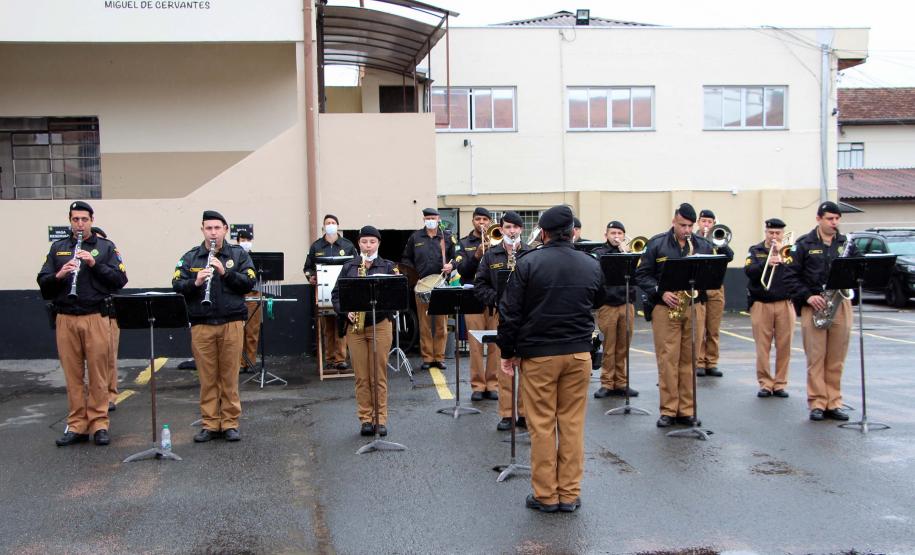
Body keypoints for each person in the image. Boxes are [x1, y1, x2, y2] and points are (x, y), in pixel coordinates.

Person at [498, 205, 604, 514]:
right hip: (578, 353)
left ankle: (546, 495)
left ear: (543, 233)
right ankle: (569, 494)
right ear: (572, 232)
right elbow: (599, 300)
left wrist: (508, 352)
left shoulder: (529, 263)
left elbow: (510, 312)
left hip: (540, 355)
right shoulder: (590, 264)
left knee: (542, 425)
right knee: (571, 425)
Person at [38, 202, 128, 447]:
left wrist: (93, 264)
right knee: (73, 375)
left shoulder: (105, 247)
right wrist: (59, 275)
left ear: (91, 220)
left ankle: (99, 423)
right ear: (70, 220)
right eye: (76, 219)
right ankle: (77, 425)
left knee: (98, 374)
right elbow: (43, 282)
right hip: (66, 317)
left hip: (95, 316)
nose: (80, 224)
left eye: (84, 219)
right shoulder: (59, 248)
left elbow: (120, 279)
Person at [173, 210, 255, 442]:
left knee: (229, 377)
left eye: (217, 228)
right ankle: (210, 423)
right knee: (208, 377)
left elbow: (249, 282)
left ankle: (229, 422)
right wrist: (196, 282)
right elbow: (177, 284)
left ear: (225, 230)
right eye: (208, 228)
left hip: (231, 323)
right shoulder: (191, 257)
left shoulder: (238, 255)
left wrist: (225, 273)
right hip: (202, 324)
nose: (213, 232)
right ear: (202, 230)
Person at [635, 203, 715, 428]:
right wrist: (661, 291)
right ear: (674, 221)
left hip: (694, 305)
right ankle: (669, 410)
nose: (687, 230)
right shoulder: (657, 243)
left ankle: (687, 410)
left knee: (690, 359)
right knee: (668, 359)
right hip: (665, 307)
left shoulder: (703, 245)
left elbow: (711, 274)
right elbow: (642, 274)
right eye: (683, 225)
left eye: (690, 226)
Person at [785, 201, 857, 421]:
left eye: (837, 219)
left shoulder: (845, 243)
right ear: (818, 219)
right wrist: (808, 296)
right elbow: (789, 276)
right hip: (814, 305)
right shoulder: (804, 244)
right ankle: (817, 402)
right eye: (830, 219)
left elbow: (856, 270)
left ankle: (833, 402)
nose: (834, 223)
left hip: (840, 303)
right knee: (816, 357)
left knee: (836, 357)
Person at [331, 226, 400, 436]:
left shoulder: (388, 266)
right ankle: (365, 419)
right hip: (355, 327)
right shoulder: (349, 266)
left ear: (378, 243)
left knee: (378, 375)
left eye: (372, 242)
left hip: (379, 324)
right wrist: (345, 311)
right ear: (358, 243)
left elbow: (398, 295)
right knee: (361, 376)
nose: (368, 246)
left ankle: (380, 419)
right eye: (364, 242)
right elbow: (336, 295)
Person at [473, 211, 528, 430]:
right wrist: (496, 299)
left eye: (515, 227)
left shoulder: (530, 253)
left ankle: (524, 413)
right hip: (501, 315)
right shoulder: (491, 255)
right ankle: (507, 414)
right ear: (502, 229)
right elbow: (480, 285)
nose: (511, 231)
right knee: (504, 365)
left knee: (526, 365)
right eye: (508, 227)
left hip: (525, 316)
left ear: (521, 230)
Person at [745, 218, 795, 398]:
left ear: (783, 234)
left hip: (784, 302)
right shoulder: (755, 250)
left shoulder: (790, 251)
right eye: (771, 233)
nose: (774, 236)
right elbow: (749, 271)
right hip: (761, 303)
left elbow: (797, 271)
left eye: (778, 233)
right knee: (762, 346)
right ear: (765, 232)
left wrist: (783, 258)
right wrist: (768, 260)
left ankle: (780, 383)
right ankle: (765, 383)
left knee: (784, 346)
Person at [401, 207, 455, 370]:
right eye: (428, 218)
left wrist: (451, 265)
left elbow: (456, 257)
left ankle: (439, 357)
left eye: (433, 217)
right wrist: (414, 273)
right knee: (425, 324)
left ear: (439, 218)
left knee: (440, 323)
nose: (431, 220)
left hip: (440, 284)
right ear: (424, 220)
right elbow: (406, 258)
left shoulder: (446, 237)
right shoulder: (415, 237)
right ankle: (427, 357)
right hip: (422, 284)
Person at [303, 214, 357, 373]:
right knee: (327, 326)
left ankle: (341, 358)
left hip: (342, 291)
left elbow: (355, 264)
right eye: (328, 223)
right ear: (323, 226)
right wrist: (310, 277)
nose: (330, 225)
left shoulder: (347, 245)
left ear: (338, 226)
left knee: (341, 324)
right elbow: (307, 268)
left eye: (333, 222)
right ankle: (330, 359)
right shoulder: (316, 246)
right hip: (323, 291)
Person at [592, 221, 638, 399]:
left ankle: (621, 383)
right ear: (606, 235)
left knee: (624, 346)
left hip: (627, 303)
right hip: (608, 305)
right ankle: (607, 383)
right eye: (613, 233)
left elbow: (638, 274)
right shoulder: (600, 253)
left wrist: (626, 252)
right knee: (609, 346)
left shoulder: (629, 253)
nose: (616, 236)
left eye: (620, 233)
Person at [458, 207, 499, 401]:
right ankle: (477, 385)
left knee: (495, 343)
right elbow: (462, 270)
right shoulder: (463, 243)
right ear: (473, 221)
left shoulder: (497, 240)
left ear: (490, 222)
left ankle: (493, 383)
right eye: (477, 219)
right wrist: (476, 255)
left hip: (493, 297)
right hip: (472, 296)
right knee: (474, 344)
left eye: (484, 220)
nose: (481, 223)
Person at [694, 209, 734, 377]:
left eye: (710, 222)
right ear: (698, 222)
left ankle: (712, 362)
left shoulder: (718, 238)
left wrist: (720, 244)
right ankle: (699, 362)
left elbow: (730, 256)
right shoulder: (693, 239)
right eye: (704, 221)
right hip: (700, 287)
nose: (706, 224)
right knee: (699, 328)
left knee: (713, 328)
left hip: (716, 287)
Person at [90, 226, 123, 412]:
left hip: (108, 313)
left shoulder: (108, 256)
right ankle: (93, 394)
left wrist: (96, 266)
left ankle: (110, 395)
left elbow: (118, 280)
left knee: (109, 357)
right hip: (87, 313)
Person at [236, 229, 262, 372]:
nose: (245, 243)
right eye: (243, 240)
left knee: (252, 332)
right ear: (238, 242)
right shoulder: (234, 258)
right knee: (239, 333)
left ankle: (250, 362)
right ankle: (240, 363)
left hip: (253, 296)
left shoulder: (257, 259)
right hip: (238, 298)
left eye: (248, 240)